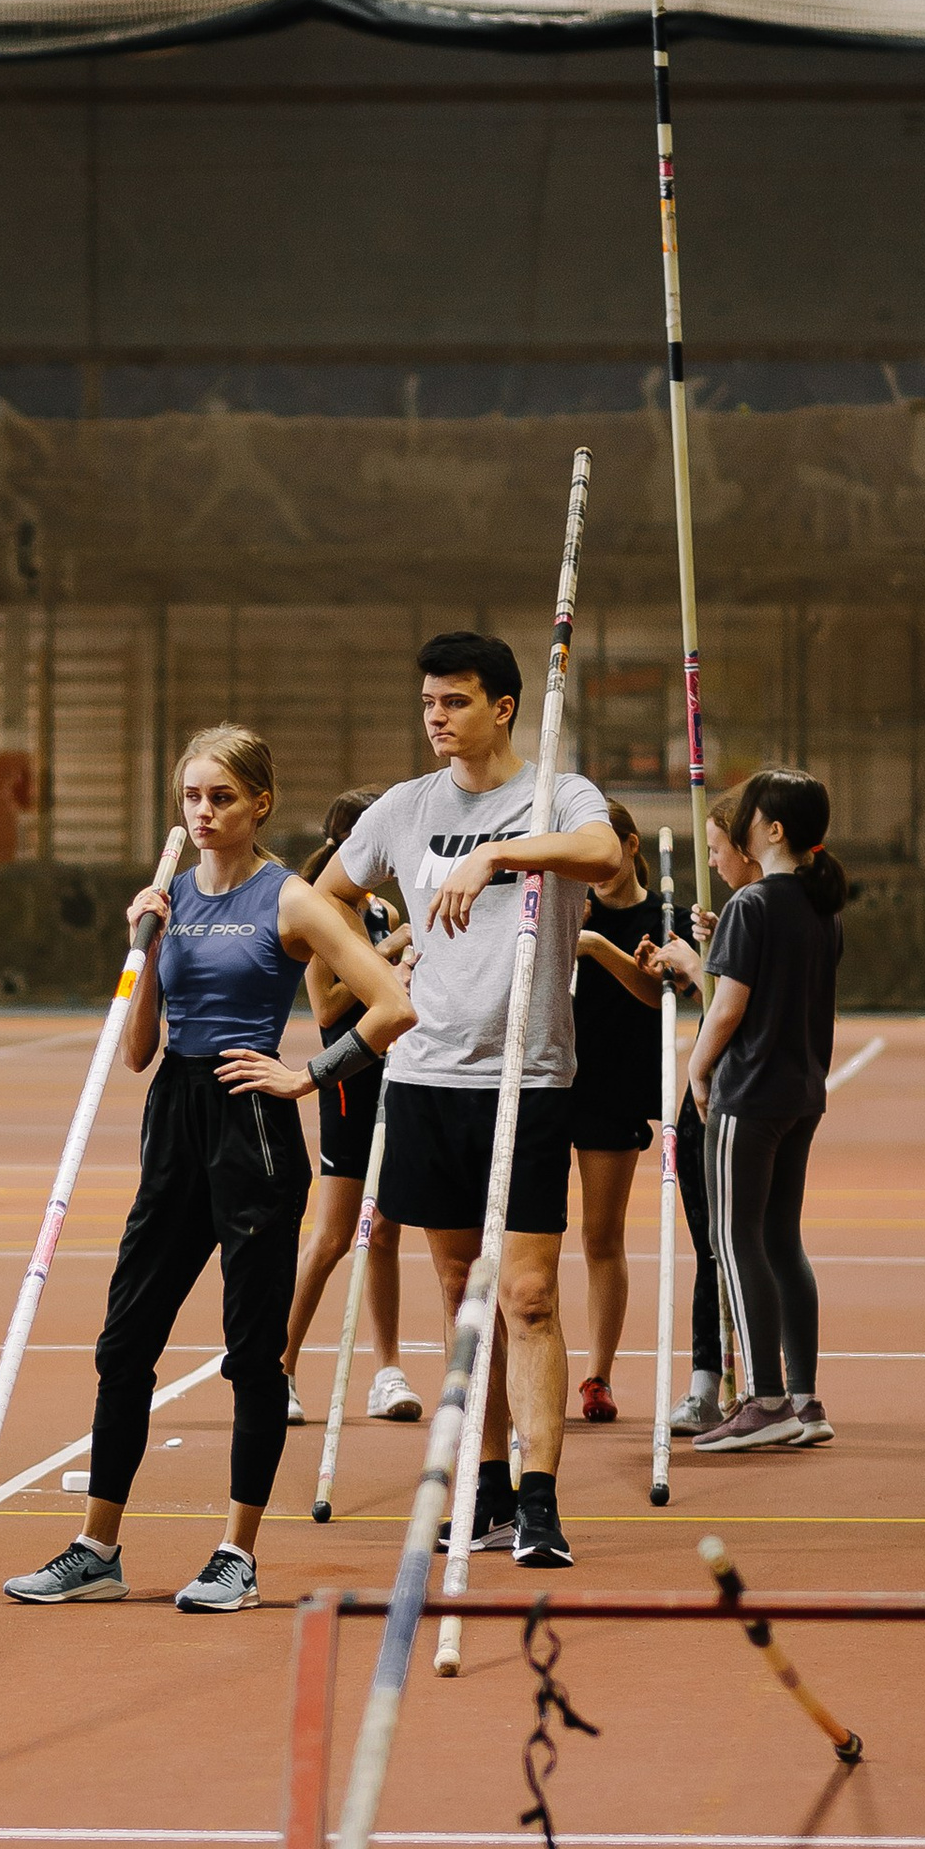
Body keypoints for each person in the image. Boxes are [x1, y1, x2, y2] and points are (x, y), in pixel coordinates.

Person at [1, 726, 412, 1617]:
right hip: (173, 1122)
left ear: (259, 803)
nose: (204, 812)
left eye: (222, 797)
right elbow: (137, 1051)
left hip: (252, 1122)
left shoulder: (293, 898)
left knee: (253, 1354)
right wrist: (145, 945)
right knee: (124, 1342)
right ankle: (97, 1548)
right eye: (192, 796)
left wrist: (308, 1074)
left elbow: (392, 1004)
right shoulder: (173, 897)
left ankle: (237, 1553)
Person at [333, 633, 619, 1570]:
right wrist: (377, 973)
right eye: (427, 702)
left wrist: (495, 853)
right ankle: (488, 1487)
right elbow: (325, 898)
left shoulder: (557, 797)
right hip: (427, 1078)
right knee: (463, 1293)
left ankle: (539, 1499)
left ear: (503, 707)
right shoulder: (404, 807)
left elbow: (600, 852)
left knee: (528, 1296)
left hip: (525, 1079)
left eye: (454, 701)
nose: (436, 717)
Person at [680, 770, 847, 1453]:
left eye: (752, 815)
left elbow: (728, 1007)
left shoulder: (753, 904)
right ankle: (804, 1397)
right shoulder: (820, 907)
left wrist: (696, 1067)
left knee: (734, 1238)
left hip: (749, 1093)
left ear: (774, 830)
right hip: (802, 1093)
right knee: (781, 1239)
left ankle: (766, 1399)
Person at [274, 790, 425, 1429]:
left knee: (385, 1228)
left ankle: (387, 1371)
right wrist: (391, 953)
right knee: (334, 1234)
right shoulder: (318, 907)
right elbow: (328, 1006)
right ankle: (279, 1368)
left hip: (399, 1068)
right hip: (347, 1076)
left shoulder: (382, 908)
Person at [647, 796, 753, 1441]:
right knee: (735, 1246)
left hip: (723, 1094)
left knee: (719, 1247)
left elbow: (736, 1009)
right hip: (747, 1092)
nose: (711, 861)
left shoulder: (755, 909)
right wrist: (705, 961)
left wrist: (693, 962)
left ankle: (715, 1386)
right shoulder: (761, 911)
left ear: (747, 845)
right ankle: (763, 1387)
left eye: (716, 849)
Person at [567, 802, 671, 1422]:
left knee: (601, 1236)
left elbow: (656, 995)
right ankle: (528, 1360)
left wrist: (596, 946)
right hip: (548, 1079)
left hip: (613, 1087)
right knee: (530, 1234)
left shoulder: (662, 917)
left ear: (630, 846)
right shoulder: (563, 904)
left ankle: (597, 1375)